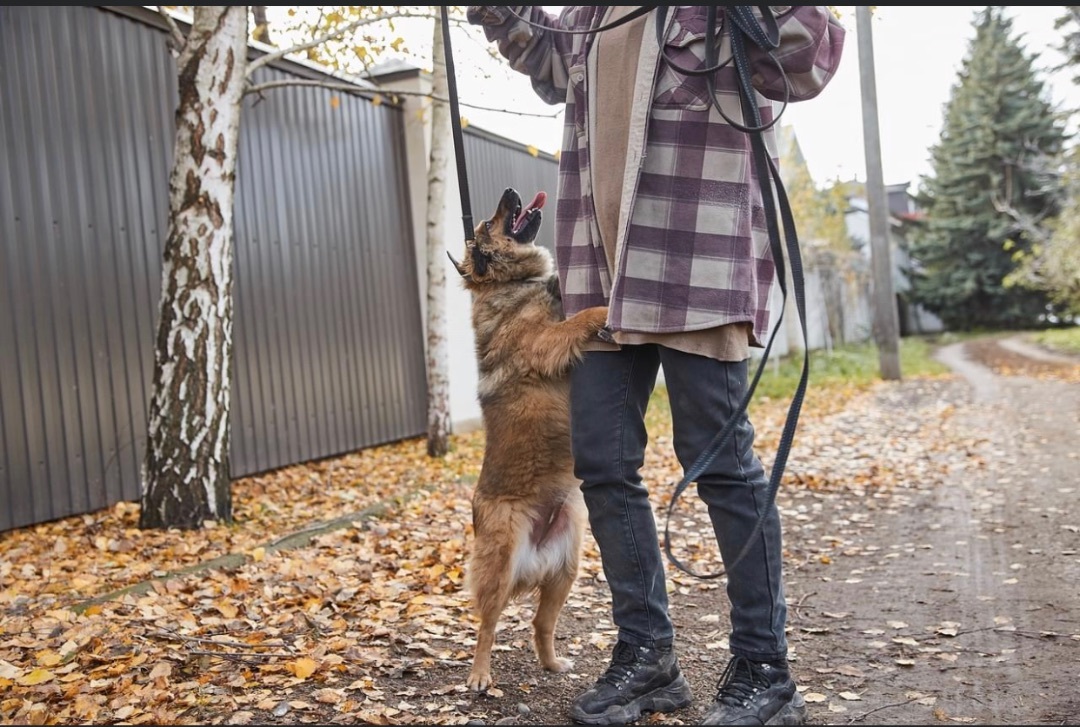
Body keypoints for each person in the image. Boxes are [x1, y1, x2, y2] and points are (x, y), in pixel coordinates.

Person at [466, 6, 846, 726]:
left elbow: (810, 60)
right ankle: (648, 659)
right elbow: (547, 60)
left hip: (694, 257)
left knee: (721, 463)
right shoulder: (591, 13)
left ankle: (765, 669)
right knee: (604, 465)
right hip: (600, 275)